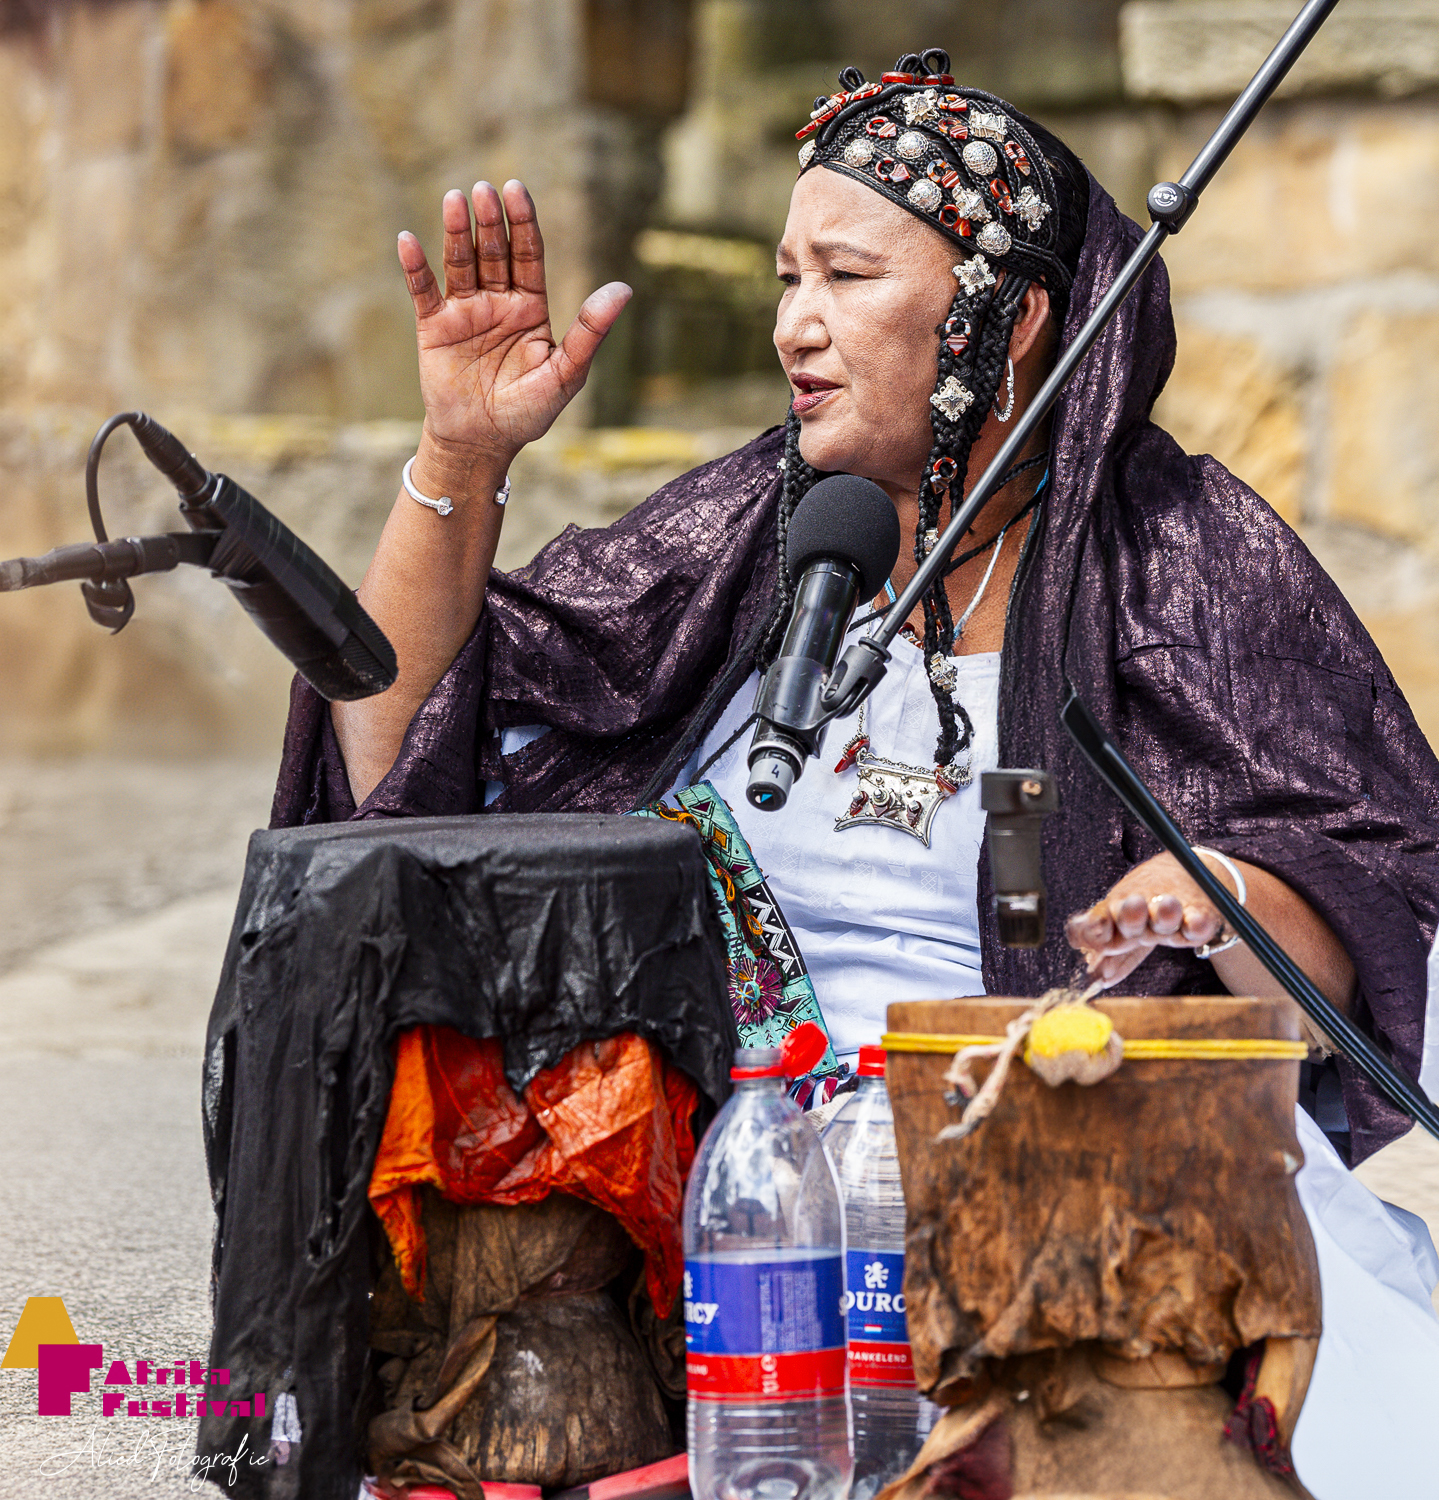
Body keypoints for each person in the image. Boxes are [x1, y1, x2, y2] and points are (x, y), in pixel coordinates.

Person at [273, 50, 1439, 1495]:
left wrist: (1221, 895)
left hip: (1072, 1181)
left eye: (845, 276)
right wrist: (461, 453)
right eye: (785, 280)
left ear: (1010, 319)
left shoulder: (1185, 557)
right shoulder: (738, 539)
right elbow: (405, 764)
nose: (794, 325)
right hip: (734, 1203)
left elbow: (1363, 918)